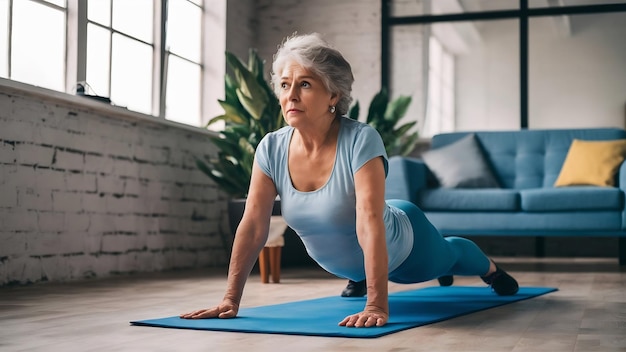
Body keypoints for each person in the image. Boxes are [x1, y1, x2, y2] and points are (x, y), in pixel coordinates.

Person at [180, 32, 518, 328]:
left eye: (305, 84)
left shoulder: (360, 139)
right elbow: (253, 224)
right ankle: (359, 276)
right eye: (285, 85)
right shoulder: (271, 147)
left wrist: (376, 304)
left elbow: (370, 221)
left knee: (451, 255)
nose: (291, 95)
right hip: (358, 254)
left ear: (333, 96)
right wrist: (230, 300)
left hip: (404, 245)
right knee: (365, 257)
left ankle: (490, 270)